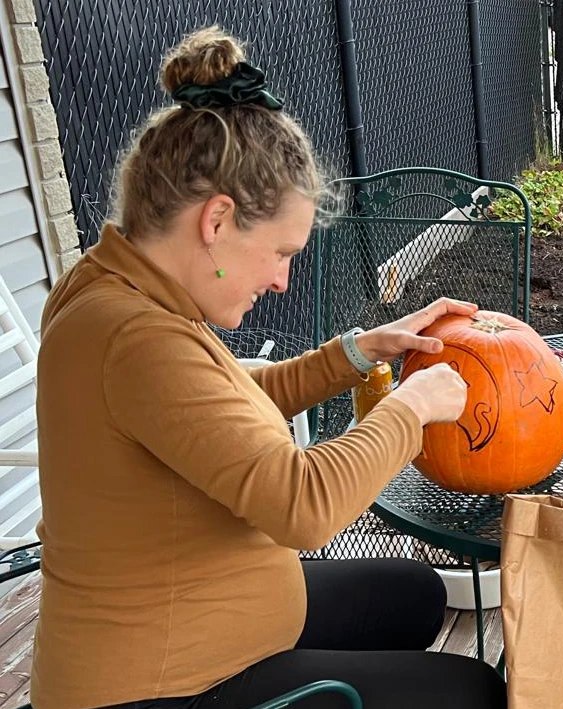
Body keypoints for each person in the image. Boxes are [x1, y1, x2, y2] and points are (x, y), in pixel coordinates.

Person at [32, 27, 506, 709]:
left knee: (415, 595)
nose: (284, 280)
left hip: (216, 614)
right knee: (469, 692)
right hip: (159, 685)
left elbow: (219, 405)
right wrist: (412, 408)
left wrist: (359, 350)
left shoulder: (116, 291)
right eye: (281, 252)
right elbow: (303, 505)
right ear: (217, 221)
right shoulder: (132, 335)